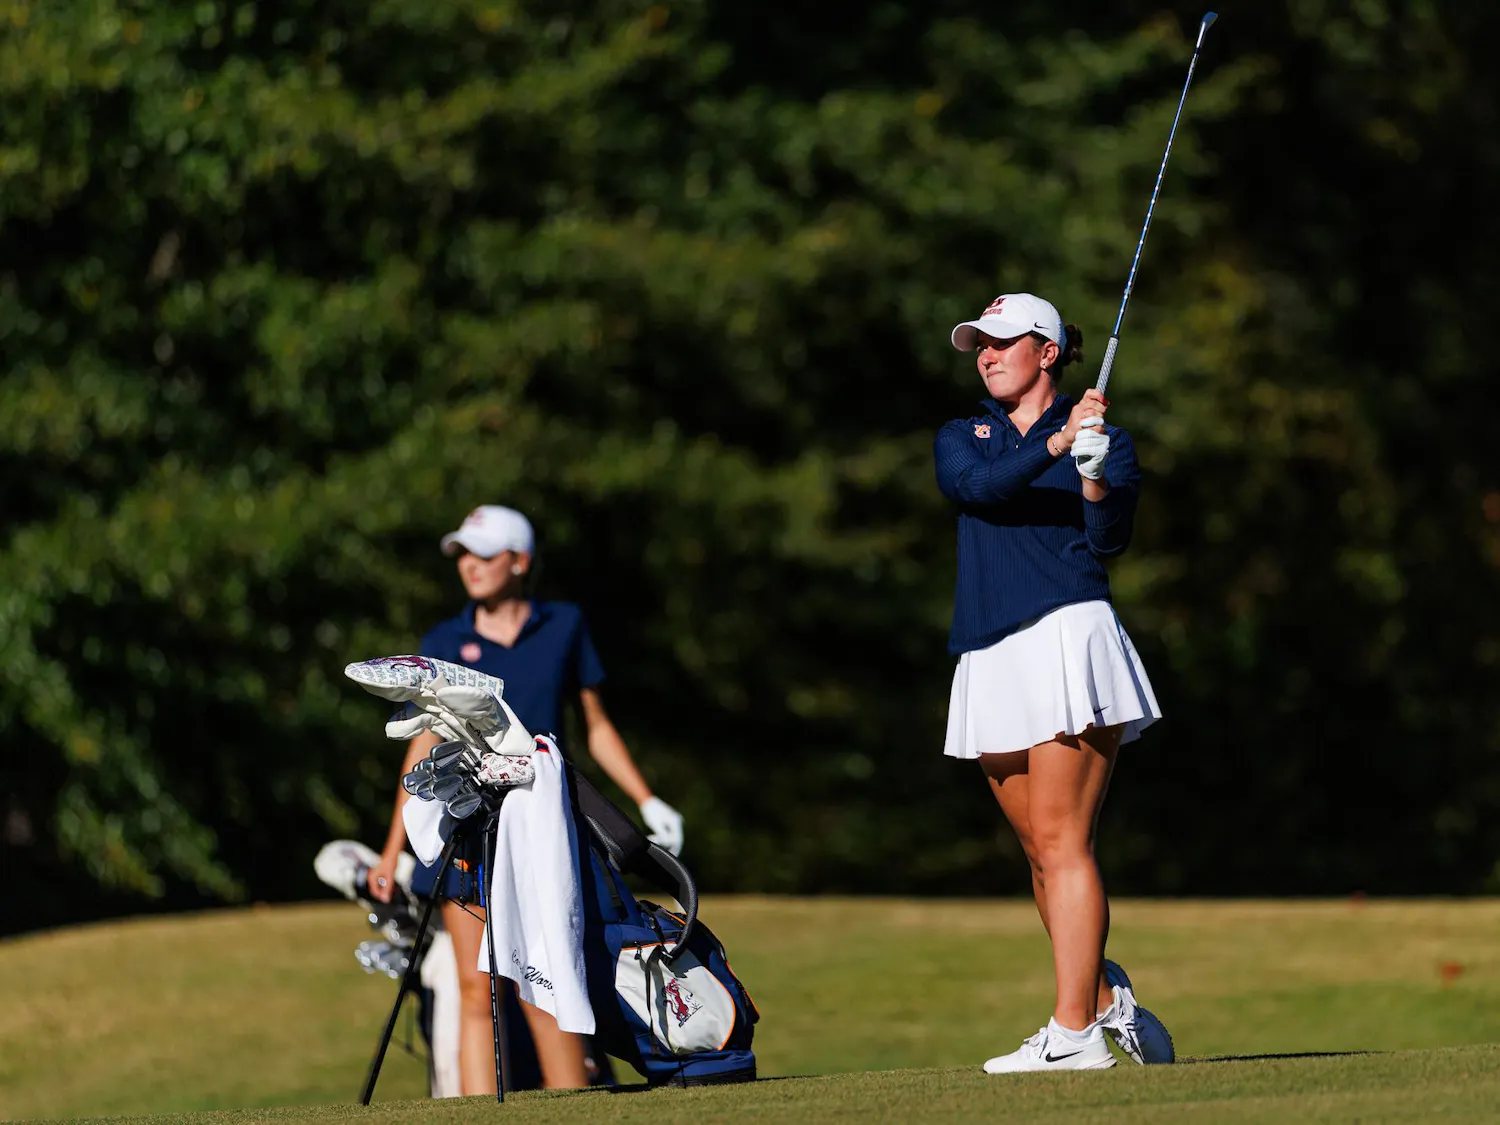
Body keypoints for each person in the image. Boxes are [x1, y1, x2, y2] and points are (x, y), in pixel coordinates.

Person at [365, 504, 685, 1093]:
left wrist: (647, 799)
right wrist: (393, 852)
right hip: (468, 827)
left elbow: (596, 726)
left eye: (483, 553)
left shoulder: (563, 626)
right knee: (474, 987)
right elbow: (421, 750)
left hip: (545, 827)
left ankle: (569, 1103)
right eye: (462, 554)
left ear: (520, 561)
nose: (469, 565)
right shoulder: (443, 641)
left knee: (547, 980)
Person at [934, 292, 1172, 1074]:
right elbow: (980, 489)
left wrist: (1095, 474)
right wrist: (1056, 442)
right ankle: (1103, 996)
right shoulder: (964, 434)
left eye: (1004, 341)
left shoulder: (1105, 438)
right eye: (981, 343)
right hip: (988, 649)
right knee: (1039, 849)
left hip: (1068, 634)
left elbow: (1109, 541)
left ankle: (1074, 1035)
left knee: (1067, 840)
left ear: (1046, 352)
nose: (987, 353)